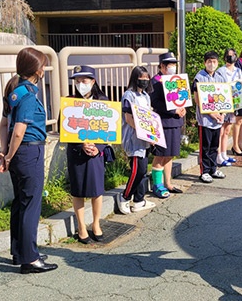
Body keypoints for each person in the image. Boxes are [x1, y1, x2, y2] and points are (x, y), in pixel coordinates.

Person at [0, 47, 58, 274]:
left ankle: (19, 252)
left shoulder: (14, 91)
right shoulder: (29, 95)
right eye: (42, 65)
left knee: (20, 203)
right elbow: (20, 130)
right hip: (29, 152)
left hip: (18, 154)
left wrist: (4, 152)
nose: (43, 69)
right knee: (31, 205)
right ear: (37, 71)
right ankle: (30, 259)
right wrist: (9, 156)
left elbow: (5, 125)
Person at [67, 65, 109, 244]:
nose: (80, 84)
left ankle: (96, 224)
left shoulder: (103, 101)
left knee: (96, 189)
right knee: (77, 190)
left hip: (96, 152)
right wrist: (81, 144)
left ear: (93, 81)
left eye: (84, 81)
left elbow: (109, 129)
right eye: (77, 81)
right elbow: (66, 128)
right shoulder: (69, 101)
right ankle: (81, 227)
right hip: (77, 151)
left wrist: (97, 147)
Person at [116, 66, 156, 214]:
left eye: (147, 79)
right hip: (133, 138)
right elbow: (128, 118)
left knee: (143, 170)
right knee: (136, 171)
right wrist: (143, 132)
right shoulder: (128, 95)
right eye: (141, 79)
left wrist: (151, 135)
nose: (144, 81)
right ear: (135, 79)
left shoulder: (146, 96)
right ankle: (125, 197)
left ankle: (139, 200)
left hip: (145, 139)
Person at [150, 52, 186, 196]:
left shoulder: (177, 80)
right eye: (170, 65)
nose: (172, 67)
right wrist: (174, 110)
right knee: (160, 155)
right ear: (162, 66)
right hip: (163, 123)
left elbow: (183, 98)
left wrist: (183, 108)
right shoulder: (155, 81)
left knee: (170, 154)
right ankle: (157, 185)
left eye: (174, 64)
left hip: (176, 122)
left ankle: (168, 183)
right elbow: (155, 102)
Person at [192, 51, 227, 183]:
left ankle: (213, 168)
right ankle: (204, 171)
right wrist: (212, 113)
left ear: (218, 63)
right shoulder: (199, 77)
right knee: (205, 147)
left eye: (214, 62)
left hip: (218, 119)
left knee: (214, 146)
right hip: (205, 119)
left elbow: (225, 97)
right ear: (205, 63)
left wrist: (222, 113)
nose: (212, 64)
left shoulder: (220, 76)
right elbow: (197, 99)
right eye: (209, 62)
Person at [216, 49, 242, 166]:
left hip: (234, 101)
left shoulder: (238, 71)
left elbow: (239, 85)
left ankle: (224, 153)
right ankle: (218, 155)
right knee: (221, 129)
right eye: (228, 56)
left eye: (232, 55)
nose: (230, 58)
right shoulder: (221, 71)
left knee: (227, 129)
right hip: (224, 102)